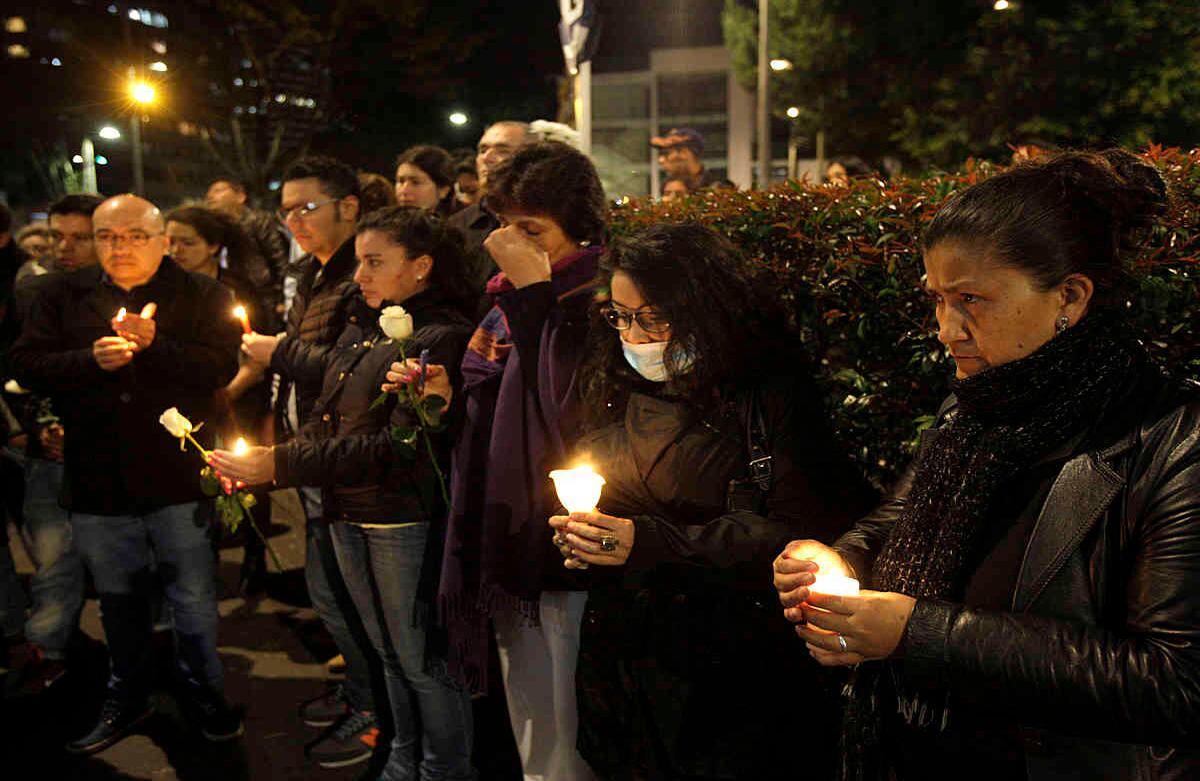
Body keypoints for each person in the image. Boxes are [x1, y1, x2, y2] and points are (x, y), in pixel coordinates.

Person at [773, 150, 1200, 779]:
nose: (947, 329)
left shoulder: (1169, 437)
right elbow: (898, 519)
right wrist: (839, 562)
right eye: (937, 300)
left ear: (1070, 296)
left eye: (971, 299)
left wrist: (919, 633)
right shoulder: (973, 409)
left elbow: (1175, 683)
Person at [546, 223, 876, 779]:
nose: (636, 336)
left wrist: (647, 542)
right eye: (621, 316)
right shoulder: (611, 384)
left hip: (734, 671)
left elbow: (795, 528)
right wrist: (583, 539)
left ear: (701, 309)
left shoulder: (763, 395)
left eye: (653, 316)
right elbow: (600, 489)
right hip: (630, 663)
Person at [212, 206, 479, 781]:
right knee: (385, 651)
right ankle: (403, 754)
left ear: (422, 266)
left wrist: (280, 463)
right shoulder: (365, 326)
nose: (359, 276)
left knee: (420, 659)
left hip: (400, 516)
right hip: (346, 507)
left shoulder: (440, 338)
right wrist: (269, 458)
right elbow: (328, 415)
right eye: (359, 262)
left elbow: (395, 447)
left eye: (374, 262)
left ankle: (444, 767)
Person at [9, 194, 243, 753]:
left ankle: (204, 693)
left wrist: (156, 345)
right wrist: (89, 360)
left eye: (136, 236)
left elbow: (219, 366)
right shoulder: (59, 293)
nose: (121, 248)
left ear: (163, 241)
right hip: (99, 476)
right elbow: (25, 364)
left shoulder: (202, 294)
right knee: (118, 601)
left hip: (177, 475)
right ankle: (128, 693)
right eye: (108, 236)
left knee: (192, 599)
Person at [429, 141, 606, 781]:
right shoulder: (510, 300)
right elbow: (498, 400)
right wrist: (446, 394)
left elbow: (566, 404)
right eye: (506, 226)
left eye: (532, 230)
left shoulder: (594, 297)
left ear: (579, 228)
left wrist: (535, 294)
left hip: (557, 536)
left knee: (568, 719)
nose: (510, 244)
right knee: (529, 709)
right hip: (503, 521)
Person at [239, 155, 382, 768]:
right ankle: (362, 694)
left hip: (346, 462)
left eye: (308, 207)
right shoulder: (316, 272)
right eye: (287, 210)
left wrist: (279, 351)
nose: (295, 220)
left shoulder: (363, 275)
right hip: (313, 457)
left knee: (355, 599)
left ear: (348, 207)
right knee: (330, 594)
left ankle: (378, 712)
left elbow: (355, 369)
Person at [0, 193, 104, 697]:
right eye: (58, 236)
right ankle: (50, 652)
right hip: (50, 450)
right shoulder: (31, 293)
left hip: (113, 451)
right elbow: (19, 368)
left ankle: (150, 657)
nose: (64, 248)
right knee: (53, 556)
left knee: (132, 563)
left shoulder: (129, 292)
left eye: (79, 238)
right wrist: (37, 426)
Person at [165, 205, 279, 594]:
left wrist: (230, 391)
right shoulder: (169, 288)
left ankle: (255, 557)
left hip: (239, 398)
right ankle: (204, 558)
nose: (176, 250)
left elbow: (257, 352)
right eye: (170, 241)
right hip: (190, 402)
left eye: (187, 242)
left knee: (247, 476)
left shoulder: (237, 290)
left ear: (213, 246)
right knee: (199, 479)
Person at [447, 121, 532, 291]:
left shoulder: (547, 223)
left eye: (503, 150)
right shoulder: (457, 225)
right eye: (482, 150)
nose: (487, 158)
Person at [205, 177, 290, 315]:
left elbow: (279, 258)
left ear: (240, 196)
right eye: (209, 192)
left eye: (218, 190)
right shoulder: (213, 229)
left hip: (264, 298)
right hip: (233, 296)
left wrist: (282, 298)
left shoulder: (259, 221)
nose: (210, 196)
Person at [649, 128, 723, 192]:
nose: (661, 160)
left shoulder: (716, 189)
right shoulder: (668, 187)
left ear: (684, 153)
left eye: (667, 153)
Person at [394, 145, 456, 217]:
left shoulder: (457, 223)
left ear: (444, 191)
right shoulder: (385, 222)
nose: (404, 191)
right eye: (401, 181)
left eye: (415, 182)